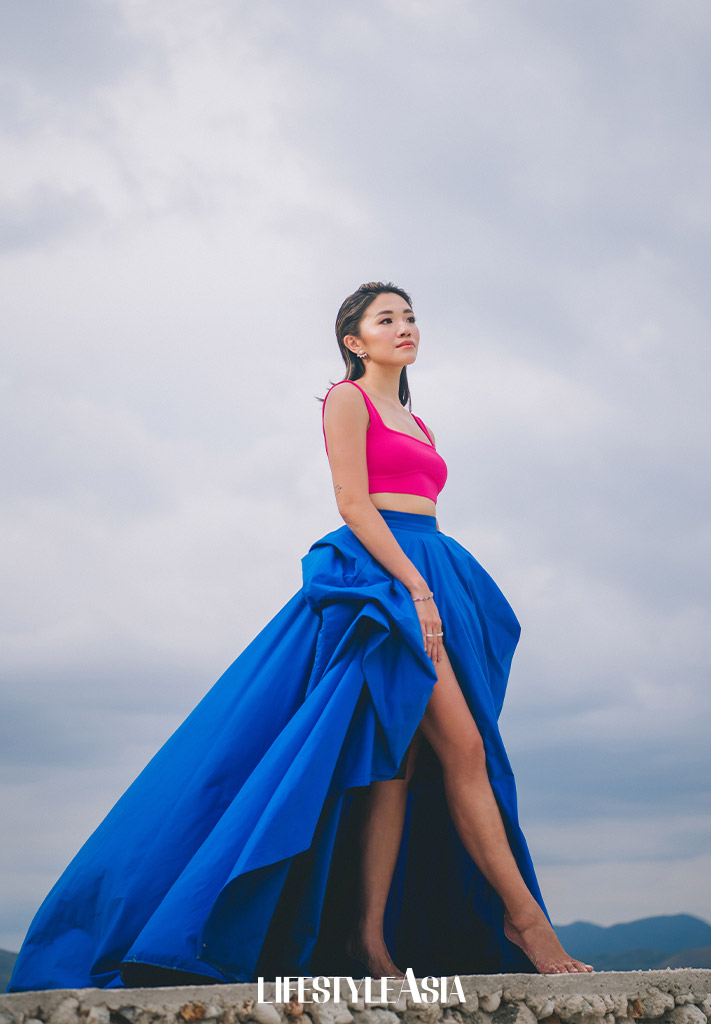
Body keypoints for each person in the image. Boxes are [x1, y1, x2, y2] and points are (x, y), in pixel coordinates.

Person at [7, 282, 591, 994]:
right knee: (463, 748)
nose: (405, 327)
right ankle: (525, 921)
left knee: (398, 766)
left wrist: (431, 582)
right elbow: (351, 500)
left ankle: (368, 938)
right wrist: (414, 587)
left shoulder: (417, 419)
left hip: (432, 569)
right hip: (385, 578)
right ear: (355, 340)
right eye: (387, 318)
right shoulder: (347, 401)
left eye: (410, 316)